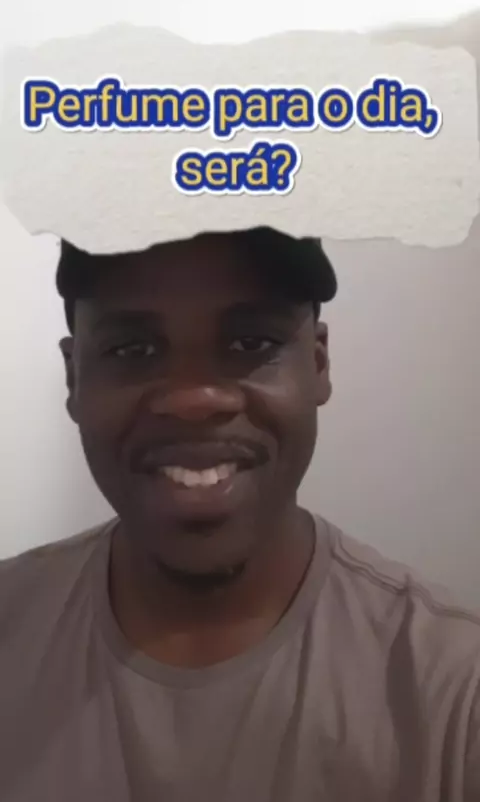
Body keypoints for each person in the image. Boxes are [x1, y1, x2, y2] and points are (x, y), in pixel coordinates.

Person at [1, 226, 479, 802]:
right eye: (132, 351)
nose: (194, 400)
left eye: (251, 342)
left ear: (318, 363)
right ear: (74, 377)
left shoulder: (455, 693)